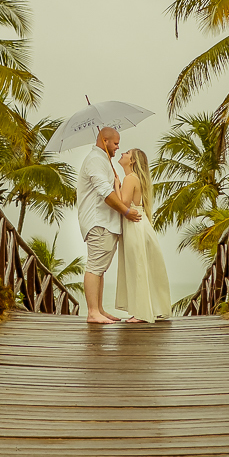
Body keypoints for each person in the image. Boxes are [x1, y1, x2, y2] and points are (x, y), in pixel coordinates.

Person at [76, 127, 142, 324]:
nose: (118, 146)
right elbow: (104, 192)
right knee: (95, 267)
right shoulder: (96, 160)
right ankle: (93, 312)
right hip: (99, 222)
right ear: (104, 141)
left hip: (105, 223)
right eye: (115, 143)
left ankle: (99, 309)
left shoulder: (103, 161)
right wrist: (126, 211)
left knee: (100, 268)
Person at [114, 148, 172, 323]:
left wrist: (116, 187)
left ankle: (141, 313)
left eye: (126, 153)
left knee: (137, 267)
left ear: (132, 161)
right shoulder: (134, 178)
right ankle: (147, 309)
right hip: (140, 224)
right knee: (141, 266)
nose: (122, 153)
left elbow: (123, 203)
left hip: (134, 226)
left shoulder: (130, 179)